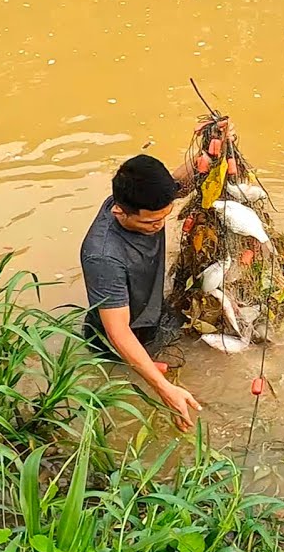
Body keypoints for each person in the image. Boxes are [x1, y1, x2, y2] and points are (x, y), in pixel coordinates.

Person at [79, 118, 234, 431]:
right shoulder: (103, 256)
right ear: (120, 211)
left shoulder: (143, 198)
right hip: (118, 345)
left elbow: (178, 183)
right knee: (139, 412)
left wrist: (215, 148)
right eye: (151, 223)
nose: (159, 226)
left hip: (154, 317)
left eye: (165, 217)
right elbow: (118, 332)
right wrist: (163, 388)